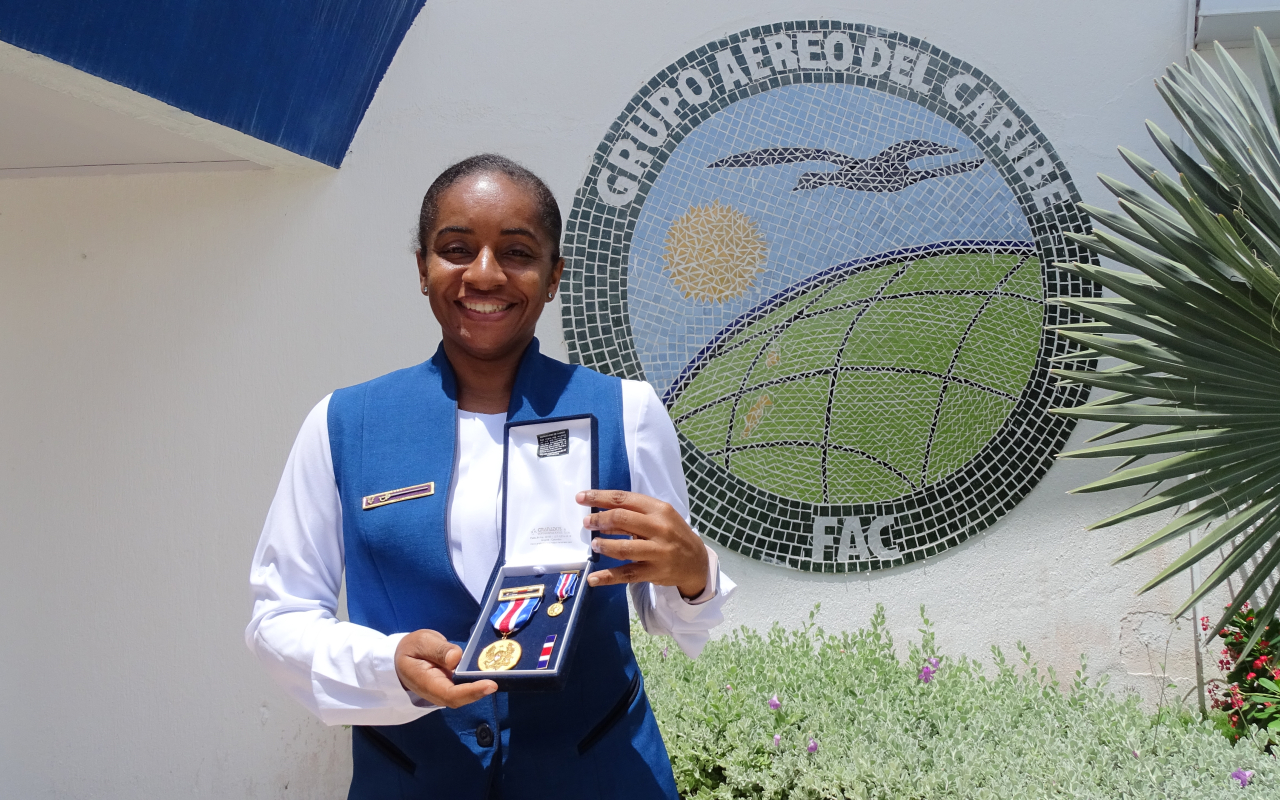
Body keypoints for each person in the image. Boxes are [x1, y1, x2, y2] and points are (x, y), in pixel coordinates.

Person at [246, 154, 735, 799]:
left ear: (554, 275)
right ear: (422, 268)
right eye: (455, 249)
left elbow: (680, 619)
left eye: (517, 252)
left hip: (601, 779)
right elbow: (277, 616)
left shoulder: (628, 413)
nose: (484, 274)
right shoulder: (345, 424)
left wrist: (694, 575)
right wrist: (384, 665)